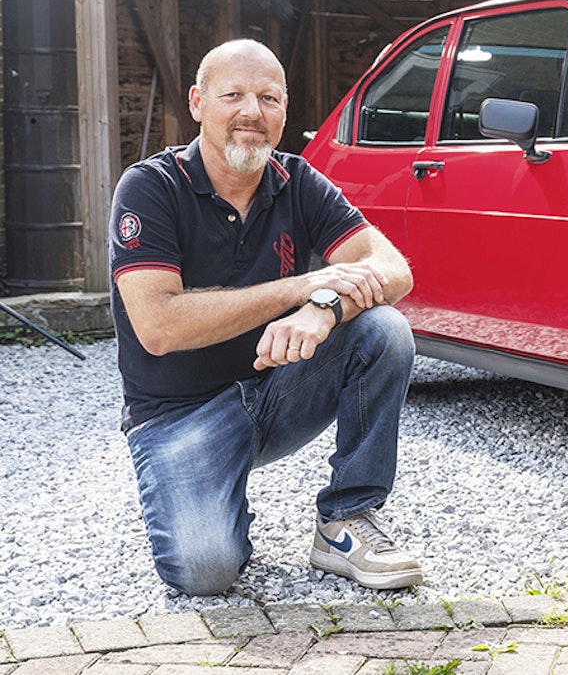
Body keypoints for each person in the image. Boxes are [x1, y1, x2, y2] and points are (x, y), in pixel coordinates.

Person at [109, 38, 420, 596]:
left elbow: (393, 269)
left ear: (284, 110)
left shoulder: (297, 181)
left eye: (268, 98)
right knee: (206, 573)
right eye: (233, 95)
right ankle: (219, 506)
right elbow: (159, 327)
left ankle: (346, 520)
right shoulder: (150, 188)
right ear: (198, 103)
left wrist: (324, 308)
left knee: (382, 331)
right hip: (179, 419)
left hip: (275, 391)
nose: (252, 112)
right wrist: (301, 287)